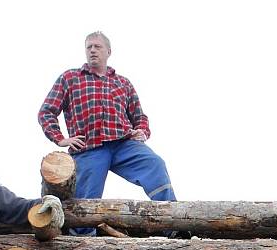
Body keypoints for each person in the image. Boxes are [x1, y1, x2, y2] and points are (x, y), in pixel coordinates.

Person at [38, 31, 175, 235]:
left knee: (154, 164)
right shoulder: (70, 78)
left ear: (108, 51)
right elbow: (46, 112)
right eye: (89, 47)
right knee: (86, 203)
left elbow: (140, 116)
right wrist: (60, 139)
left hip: (123, 144)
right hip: (89, 147)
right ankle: (83, 246)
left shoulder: (123, 83)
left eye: (97, 46)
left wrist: (142, 131)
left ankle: (171, 223)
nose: (92, 50)